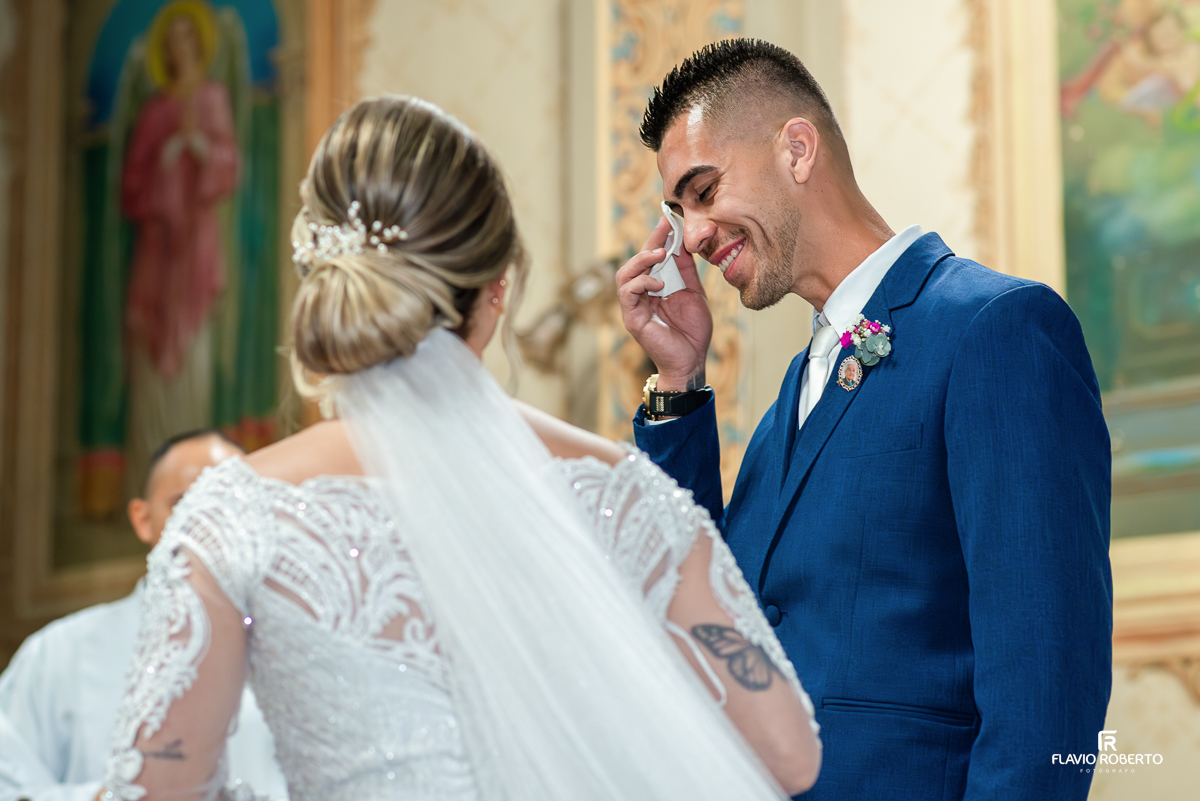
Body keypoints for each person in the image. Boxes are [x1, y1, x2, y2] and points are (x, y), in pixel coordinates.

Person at [98, 95, 821, 801]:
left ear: (325, 279)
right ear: (498, 286)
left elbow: (159, 789)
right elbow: (790, 758)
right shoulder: (622, 493)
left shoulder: (233, 516)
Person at [616, 39, 1112, 800]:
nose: (694, 235)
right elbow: (703, 619)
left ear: (797, 149)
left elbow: (1048, 687)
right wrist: (679, 383)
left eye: (705, 191)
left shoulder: (997, 329)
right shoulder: (789, 404)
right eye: (678, 213)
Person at [0, 430, 287, 801]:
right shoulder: (58, 653)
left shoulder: (296, 650)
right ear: (142, 519)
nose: (210, 529)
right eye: (185, 504)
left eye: (231, 507)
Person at [121, 3, 240, 496]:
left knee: (196, 353)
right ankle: (149, 481)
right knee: (151, 357)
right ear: (165, 50)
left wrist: (201, 151)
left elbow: (228, 165)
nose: (182, 48)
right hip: (158, 253)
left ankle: (196, 484)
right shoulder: (153, 113)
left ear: (200, 46)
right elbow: (131, 187)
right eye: (174, 40)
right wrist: (167, 160)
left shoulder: (212, 99)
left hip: (197, 250)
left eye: (190, 38)